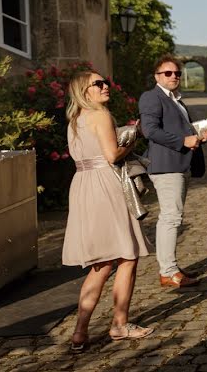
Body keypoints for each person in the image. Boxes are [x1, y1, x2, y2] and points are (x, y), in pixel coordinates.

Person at [62, 70, 153, 351]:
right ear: (84, 91)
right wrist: (131, 138)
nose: (105, 87)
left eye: (106, 82)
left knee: (100, 265)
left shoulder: (75, 119)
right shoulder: (100, 115)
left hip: (83, 185)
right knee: (127, 257)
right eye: (98, 84)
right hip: (106, 185)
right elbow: (112, 155)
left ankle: (80, 332)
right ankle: (119, 325)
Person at [139, 54, 207, 288]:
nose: (174, 77)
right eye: (168, 73)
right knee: (171, 218)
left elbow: (181, 132)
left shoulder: (176, 99)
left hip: (180, 163)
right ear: (156, 76)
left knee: (172, 217)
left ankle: (169, 266)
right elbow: (150, 131)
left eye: (177, 73)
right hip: (165, 165)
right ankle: (168, 271)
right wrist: (184, 141)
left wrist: (199, 137)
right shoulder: (152, 97)